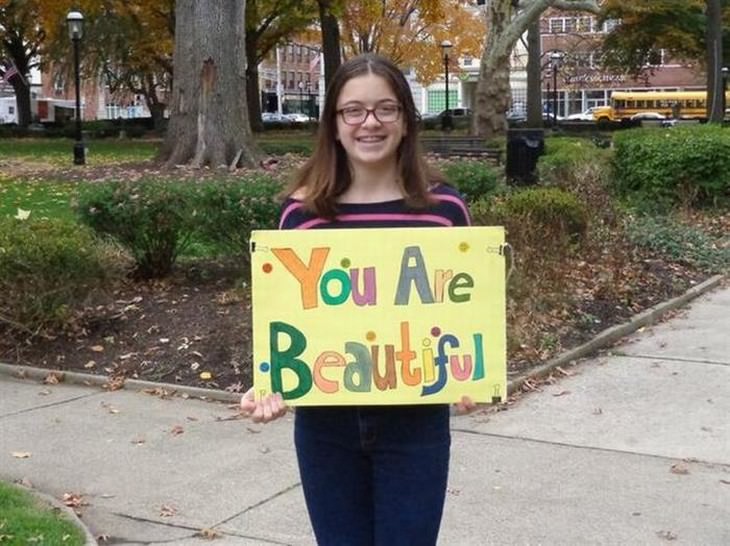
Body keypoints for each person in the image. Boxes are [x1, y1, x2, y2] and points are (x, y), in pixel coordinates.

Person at [241, 53, 476, 546]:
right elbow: (289, 317)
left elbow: (463, 313)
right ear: (334, 124)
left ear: (407, 121)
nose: (369, 123)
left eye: (385, 109)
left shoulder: (444, 210)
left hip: (415, 425)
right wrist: (269, 380)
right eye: (353, 111)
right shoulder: (301, 216)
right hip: (327, 426)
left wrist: (469, 372)